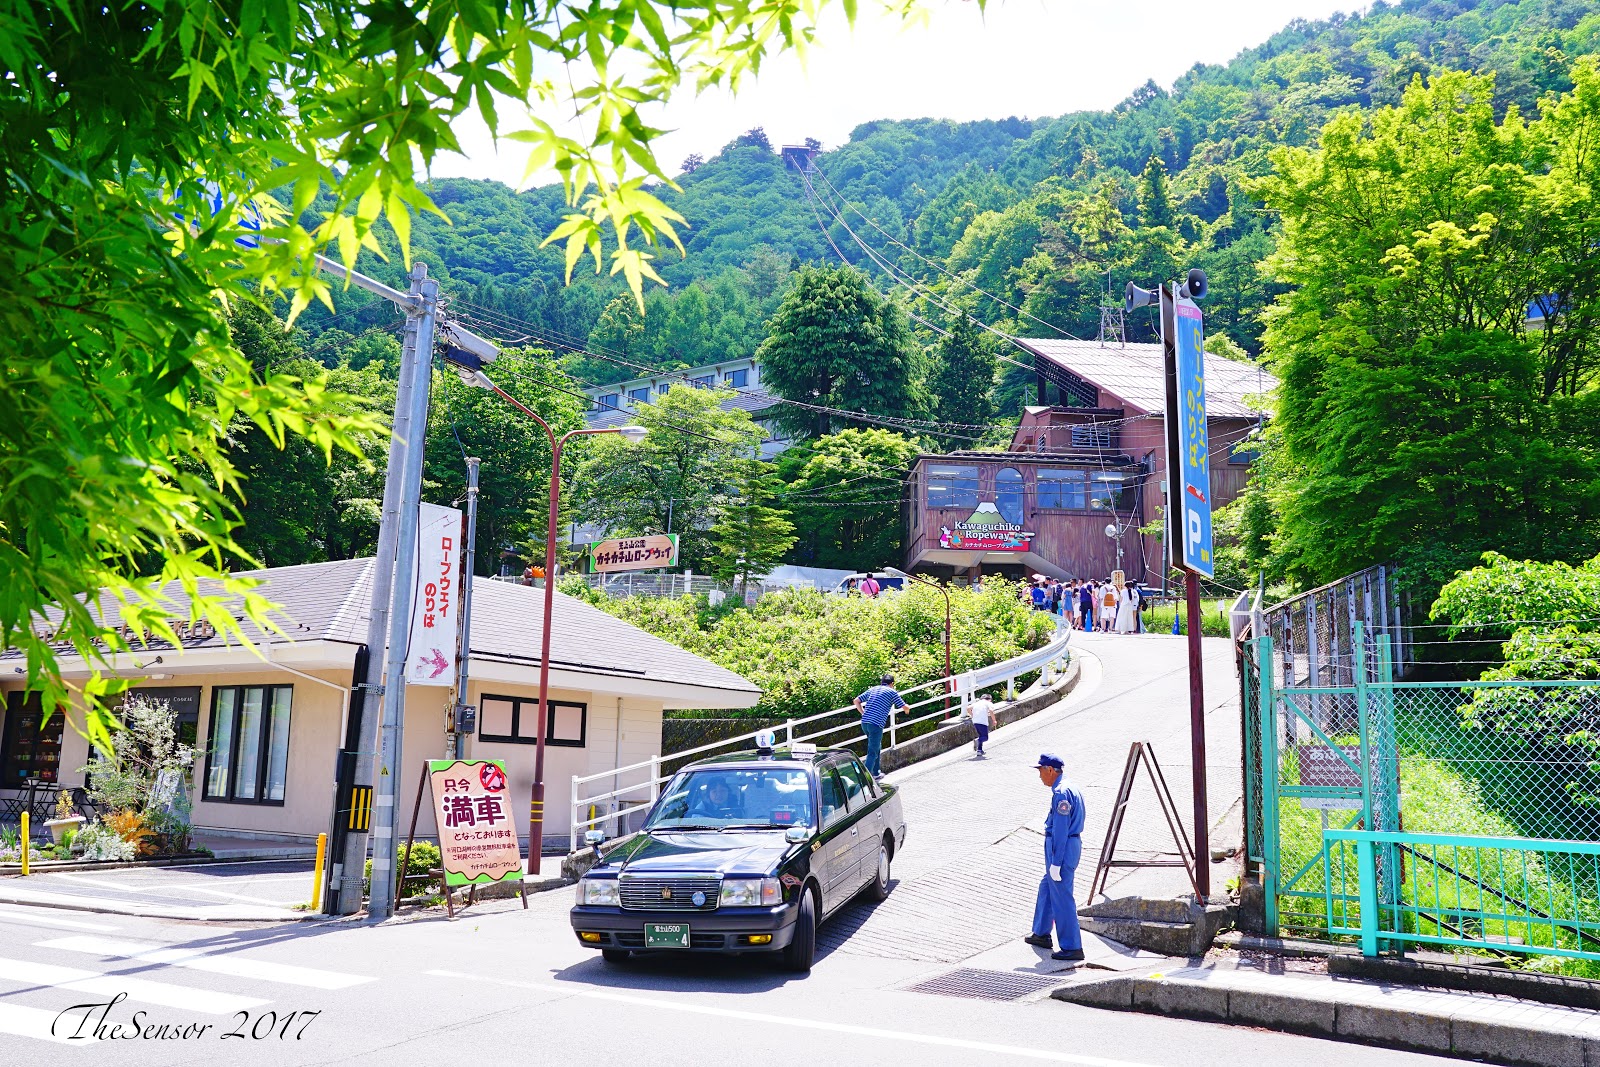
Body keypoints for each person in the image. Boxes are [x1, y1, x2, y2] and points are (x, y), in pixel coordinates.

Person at [1023, 753, 1086, 961]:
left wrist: (1056, 862)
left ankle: (1072, 946)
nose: (1039, 776)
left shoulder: (1061, 792)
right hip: (1068, 845)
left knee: (1062, 896)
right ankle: (1041, 933)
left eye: (1040, 771)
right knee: (1047, 887)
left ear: (1050, 770)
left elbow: (1060, 830)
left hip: (1063, 848)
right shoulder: (1069, 786)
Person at [853, 673, 907, 778]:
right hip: (876, 724)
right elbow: (903, 706)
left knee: (876, 746)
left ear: (882, 682)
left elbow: (856, 701)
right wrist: (908, 709)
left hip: (865, 723)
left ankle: (876, 772)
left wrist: (863, 713)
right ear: (892, 684)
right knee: (872, 751)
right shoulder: (892, 692)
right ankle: (866, 778)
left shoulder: (874, 689)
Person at [968, 690, 996, 756]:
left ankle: (979, 750)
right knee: (985, 737)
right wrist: (994, 720)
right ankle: (977, 741)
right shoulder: (988, 703)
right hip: (982, 722)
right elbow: (991, 711)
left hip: (975, 721)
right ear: (989, 699)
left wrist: (972, 715)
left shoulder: (977, 703)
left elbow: (968, 708)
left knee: (981, 736)